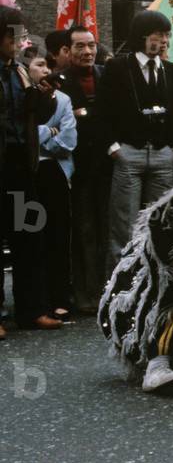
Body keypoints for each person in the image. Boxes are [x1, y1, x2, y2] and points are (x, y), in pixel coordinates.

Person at [99, 11, 173, 273]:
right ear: (142, 36)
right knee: (124, 226)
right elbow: (103, 112)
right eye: (158, 34)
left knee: (161, 222)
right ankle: (121, 285)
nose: (163, 40)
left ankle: (157, 280)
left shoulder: (170, 71)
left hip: (162, 155)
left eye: (166, 35)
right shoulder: (117, 67)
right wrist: (114, 148)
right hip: (129, 153)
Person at [0, 6, 62, 334]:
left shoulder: (20, 71)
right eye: (14, 36)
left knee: (28, 235)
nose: (19, 42)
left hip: (21, 164)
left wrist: (44, 95)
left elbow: (36, 115)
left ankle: (32, 310)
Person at [60, 24, 110, 315]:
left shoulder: (107, 76)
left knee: (107, 230)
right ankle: (84, 293)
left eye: (91, 45)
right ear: (67, 51)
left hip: (107, 166)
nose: (87, 51)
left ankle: (106, 290)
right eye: (80, 46)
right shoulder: (58, 81)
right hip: (76, 169)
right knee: (83, 232)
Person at [24, 49, 77, 320]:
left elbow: (68, 139)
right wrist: (48, 131)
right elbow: (23, 133)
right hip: (28, 171)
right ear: (26, 70)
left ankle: (60, 297)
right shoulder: (22, 99)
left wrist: (42, 136)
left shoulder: (63, 99)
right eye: (39, 65)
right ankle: (37, 300)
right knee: (33, 234)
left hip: (55, 169)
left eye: (47, 65)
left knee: (59, 234)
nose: (45, 70)